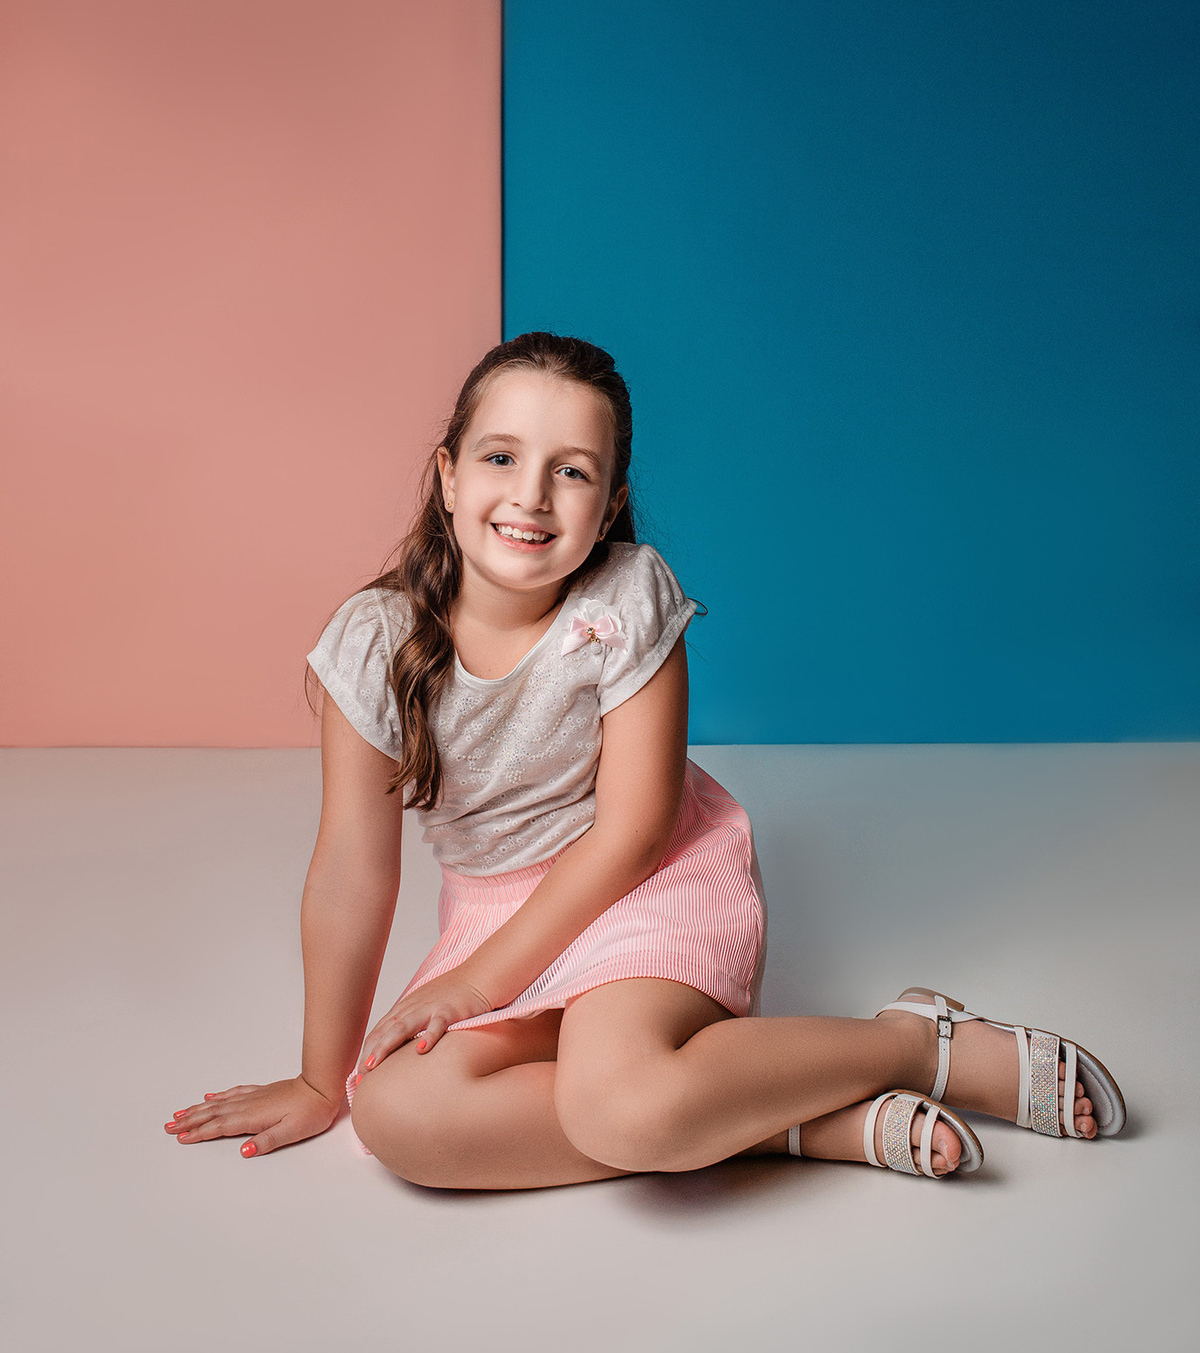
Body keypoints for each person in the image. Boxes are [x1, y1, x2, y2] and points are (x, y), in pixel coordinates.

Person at [165, 332, 1125, 1188]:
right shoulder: (374, 640)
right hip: (501, 914)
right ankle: (782, 1123)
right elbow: (350, 869)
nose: (531, 495)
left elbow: (632, 832)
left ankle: (912, 1045)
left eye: (571, 471)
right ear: (448, 475)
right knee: (398, 1115)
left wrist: (480, 986)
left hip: (649, 882)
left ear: (611, 502)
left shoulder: (626, 598)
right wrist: (320, 1078)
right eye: (501, 457)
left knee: (620, 1100)